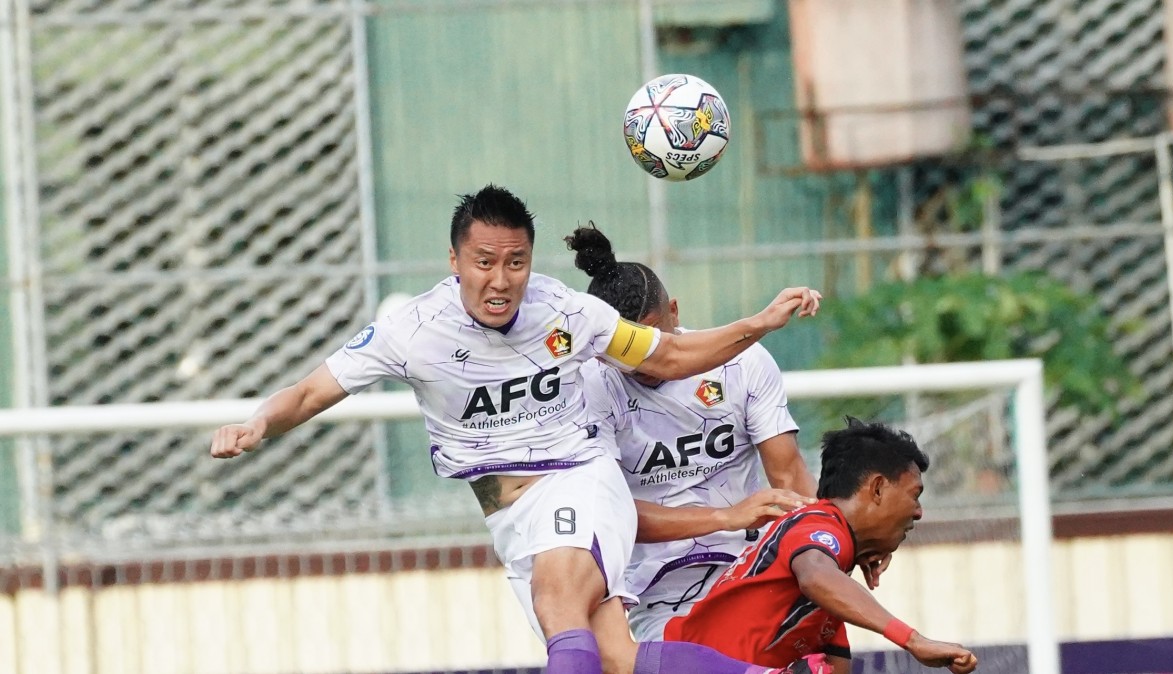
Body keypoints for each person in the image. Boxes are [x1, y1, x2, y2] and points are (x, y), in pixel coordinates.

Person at [209, 184, 823, 674]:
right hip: (509, 516)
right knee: (617, 658)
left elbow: (669, 355)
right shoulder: (413, 331)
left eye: (515, 263)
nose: (500, 280)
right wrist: (258, 423)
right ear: (454, 261)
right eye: (484, 263)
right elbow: (311, 390)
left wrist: (758, 322)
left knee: (558, 602)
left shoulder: (567, 312)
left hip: (578, 480)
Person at [566, 223, 820, 641]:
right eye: (626, 350)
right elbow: (609, 511)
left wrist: (832, 543)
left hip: (753, 567)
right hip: (658, 592)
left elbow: (790, 477)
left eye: (653, 340)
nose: (643, 362)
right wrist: (725, 517)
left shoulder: (744, 364)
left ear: (675, 312)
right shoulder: (588, 388)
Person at [663, 418, 979, 674]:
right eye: (915, 495)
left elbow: (833, 645)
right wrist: (912, 640)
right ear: (878, 489)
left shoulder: (834, 577)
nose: (919, 512)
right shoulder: (819, 525)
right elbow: (815, 576)